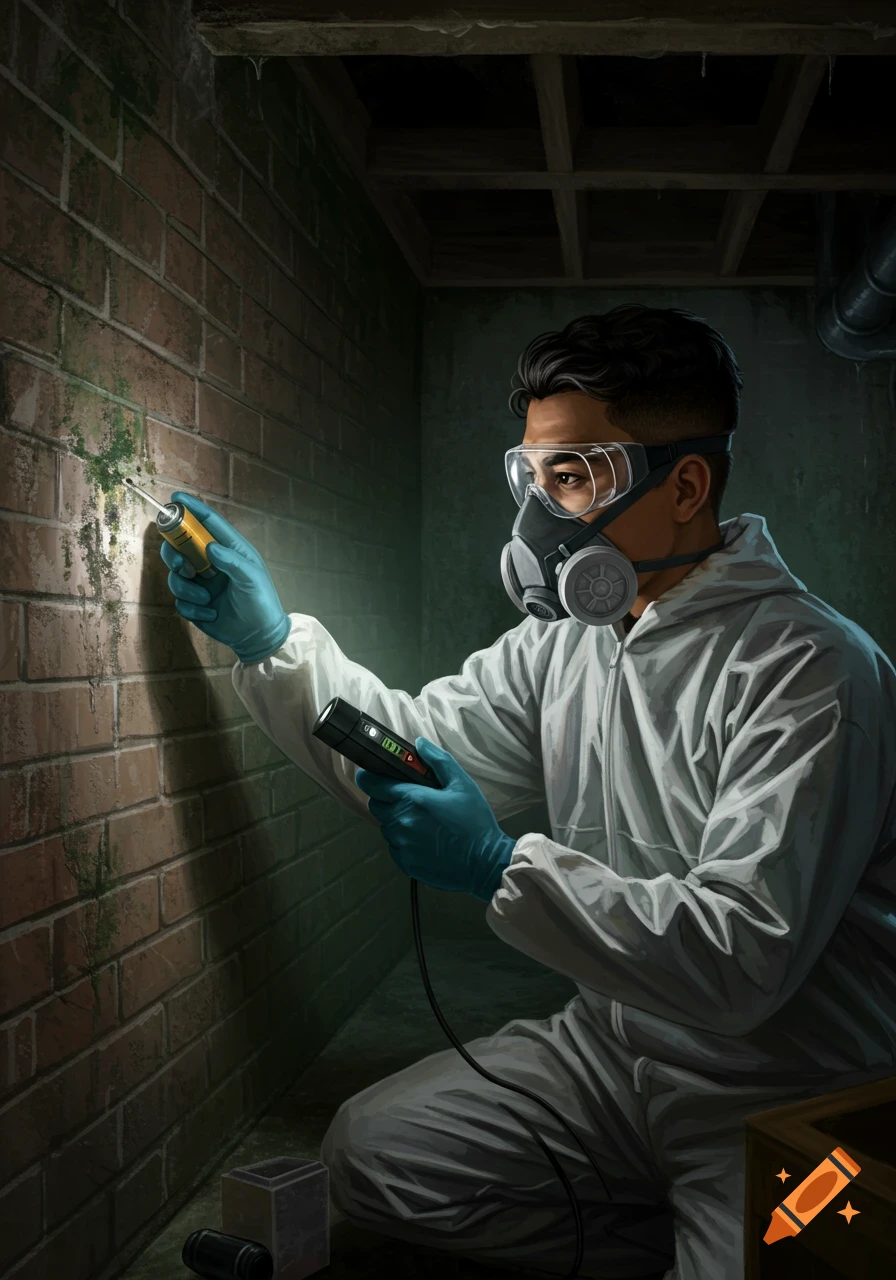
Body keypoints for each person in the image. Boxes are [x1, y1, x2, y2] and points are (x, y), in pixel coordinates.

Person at [161, 305, 896, 1280]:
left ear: (684, 485)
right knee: (373, 1157)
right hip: (611, 1056)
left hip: (785, 1085)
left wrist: (497, 866)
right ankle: (663, 1234)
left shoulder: (811, 670)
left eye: (575, 476)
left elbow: (740, 960)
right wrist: (271, 646)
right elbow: (414, 749)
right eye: (531, 476)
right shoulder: (564, 643)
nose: (537, 518)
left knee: (776, 1253)